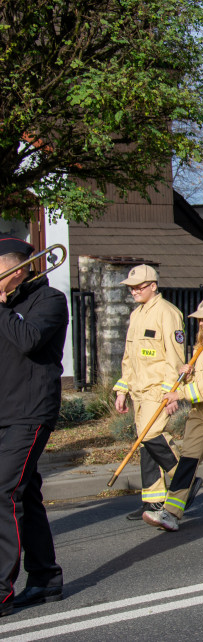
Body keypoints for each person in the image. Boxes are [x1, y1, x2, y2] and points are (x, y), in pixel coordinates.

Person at [0, 234, 66, 616]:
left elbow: (29, 340)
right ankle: (45, 577)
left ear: (17, 268)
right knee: (25, 495)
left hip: (30, 412)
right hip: (5, 412)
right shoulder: (9, 304)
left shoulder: (49, 300)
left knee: (3, 491)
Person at [143, 297, 203, 531]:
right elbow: (200, 380)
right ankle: (171, 512)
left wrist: (181, 393)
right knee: (188, 458)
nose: (202, 324)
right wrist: (187, 374)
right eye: (200, 320)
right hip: (200, 411)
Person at [113, 264, 184, 520]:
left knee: (152, 434)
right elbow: (129, 357)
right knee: (146, 444)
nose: (134, 291)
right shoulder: (137, 314)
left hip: (158, 389)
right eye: (131, 288)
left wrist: (171, 392)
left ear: (153, 286)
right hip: (138, 391)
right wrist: (122, 388)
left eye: (139, 287)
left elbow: (176, 357)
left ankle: (184, 479)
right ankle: (153, 500)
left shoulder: (168, 313)